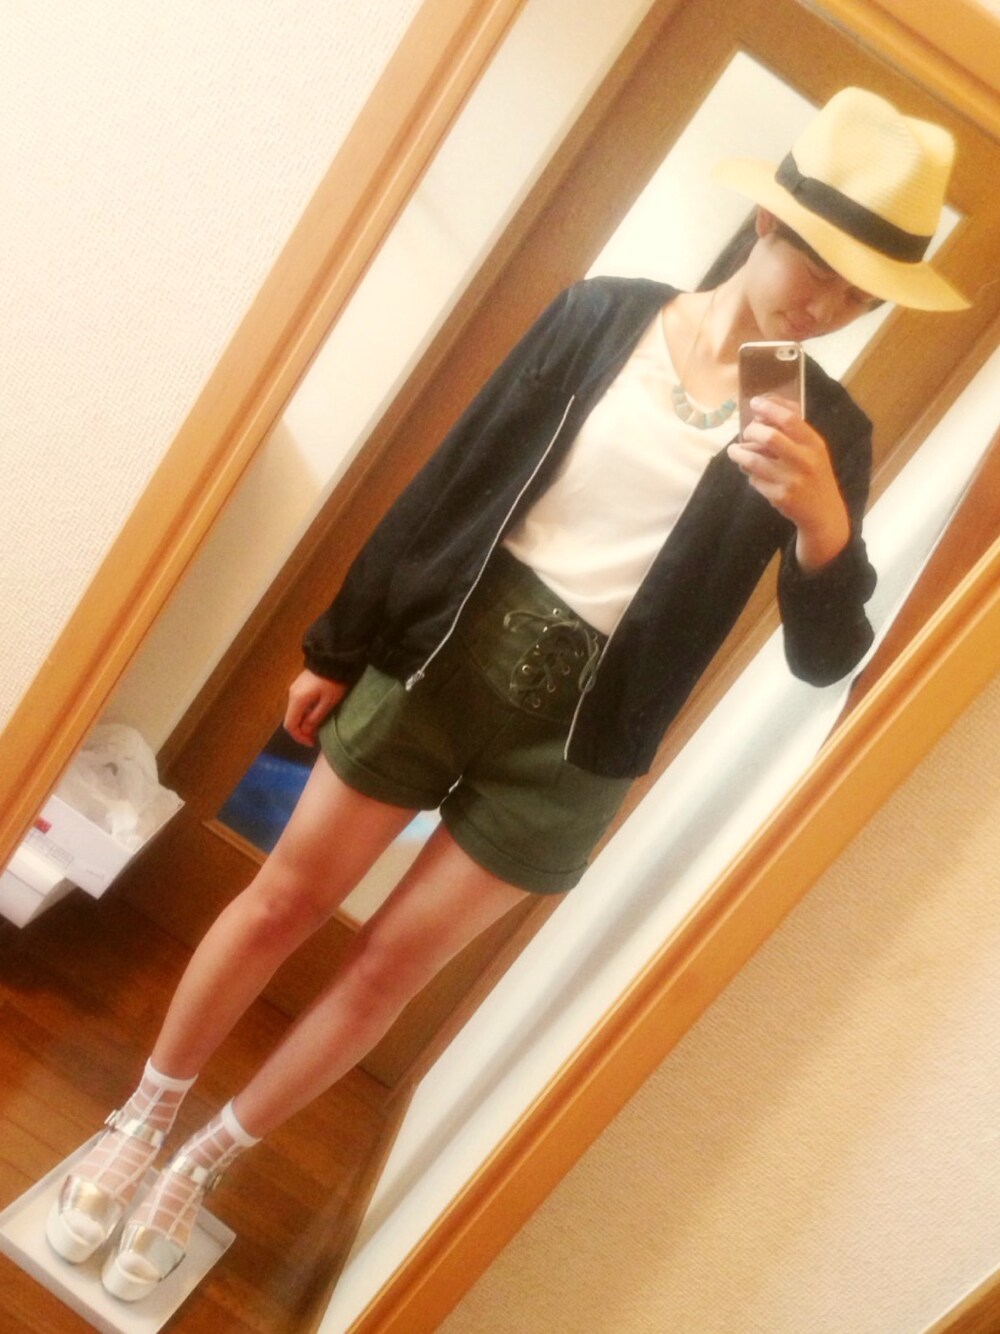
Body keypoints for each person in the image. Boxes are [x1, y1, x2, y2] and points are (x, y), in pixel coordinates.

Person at [46, 86, 968, 1301]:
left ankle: (204, 1161)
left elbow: (824, 654)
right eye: (817, 264)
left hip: (582, 744)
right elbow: (453, 479)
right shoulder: (602, 316)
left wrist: (822, 529)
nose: (824, 306)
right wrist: (340, 642)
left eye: (858, 295)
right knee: (281, 900)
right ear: (765, 220)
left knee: (385, 971)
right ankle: (141, 1120)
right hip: (442, 656)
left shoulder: (822, 430)